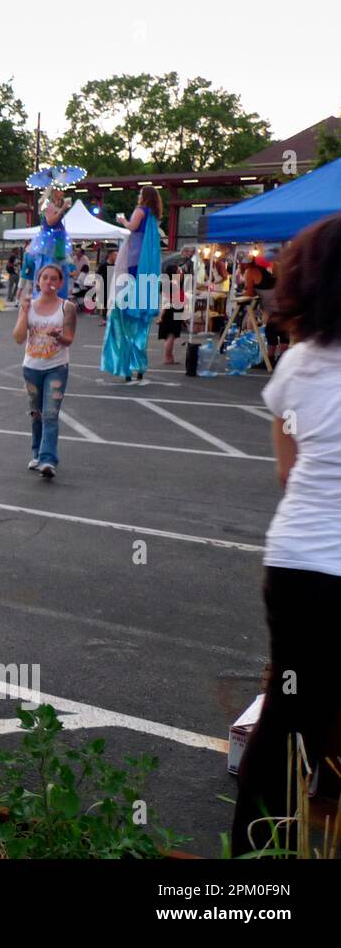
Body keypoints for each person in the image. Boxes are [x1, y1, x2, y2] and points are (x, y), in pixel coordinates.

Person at [230, 215, 341, 855]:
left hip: (298, 564)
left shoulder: (298, 363)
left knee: (286, 721)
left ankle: (252, 869)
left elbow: (286, 471)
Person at [14, 264, 76, 477]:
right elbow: (18, 338)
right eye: (45, 277)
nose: (49, 282)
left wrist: (57, 335)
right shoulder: (28, 306)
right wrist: (23, 312)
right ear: (38, 281)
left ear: (60, 283)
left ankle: (48, 459)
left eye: (54, 279)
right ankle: (37, 453)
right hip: (31, 367)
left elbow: (69, 339)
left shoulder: (67, 307)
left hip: (56, 367)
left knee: (50, 414)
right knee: (36, 414)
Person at [102, 187, 162, 384]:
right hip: (145, 273)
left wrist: (122, 221)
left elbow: (132, 228)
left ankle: (125, 366)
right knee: (140, 328)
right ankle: (139, 366)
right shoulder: (153, 216)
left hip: (133, 264)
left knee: (124, 321)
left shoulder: (140, 211)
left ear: (143, 196)